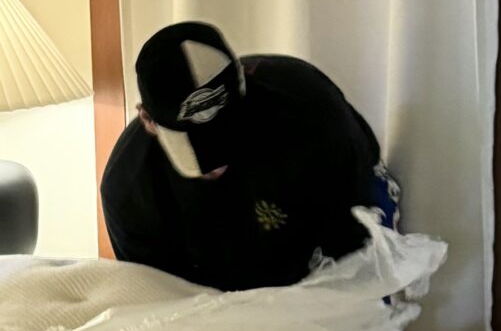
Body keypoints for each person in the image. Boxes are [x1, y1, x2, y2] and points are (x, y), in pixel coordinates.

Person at [100, 20, 398, 291]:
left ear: (245, 84)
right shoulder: (129, 189)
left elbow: (357, 237)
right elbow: (161, 300)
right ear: (148, 121)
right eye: (196, 148)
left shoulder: (311, 113)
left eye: (224, 138)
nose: (215, 166)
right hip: (208, 272)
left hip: (327, 210)